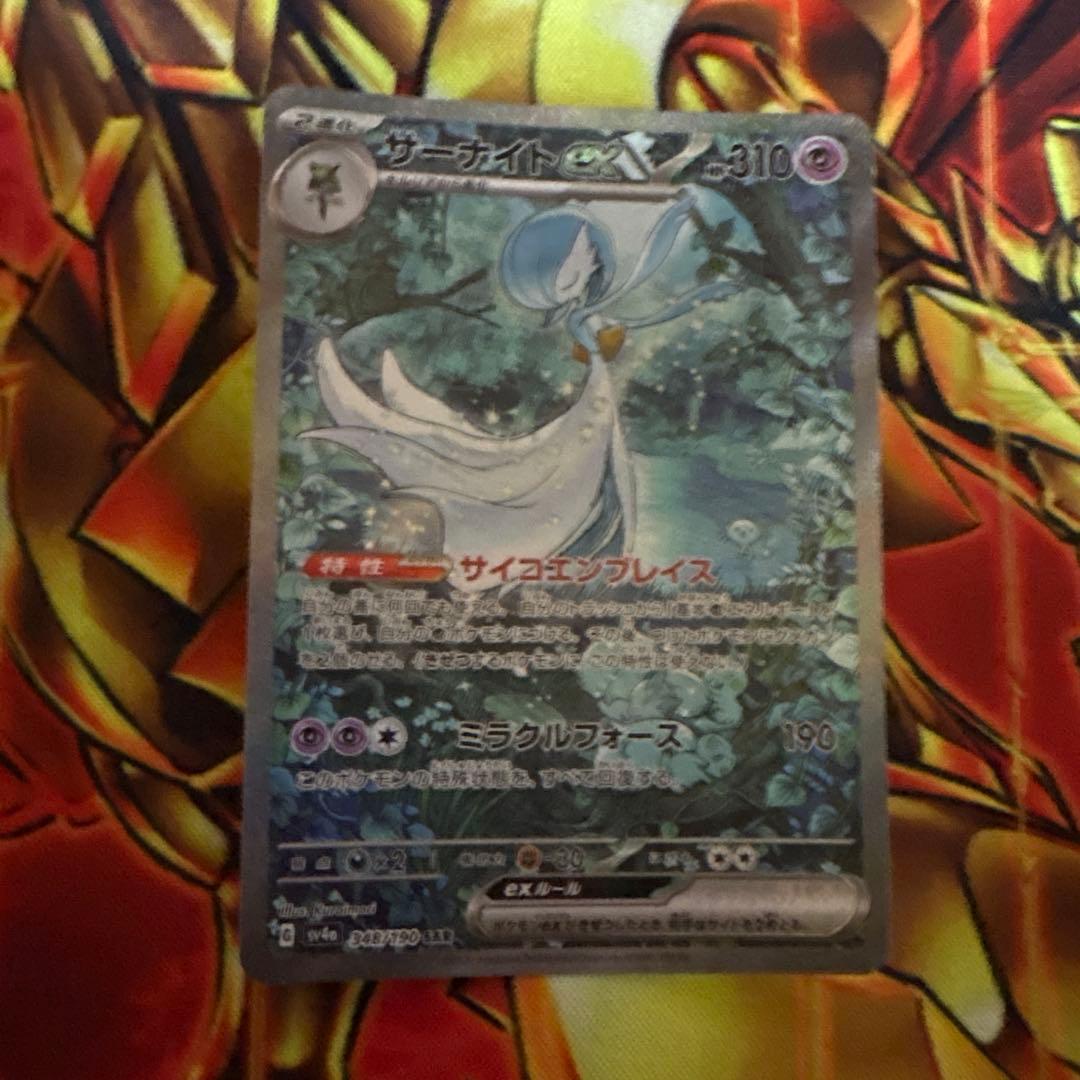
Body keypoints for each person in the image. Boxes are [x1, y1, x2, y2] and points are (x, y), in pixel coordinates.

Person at [302, 192, 736, 592]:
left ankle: (576, 558)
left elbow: (636, 310)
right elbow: (630, 317)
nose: (587, 267)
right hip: (587, 411)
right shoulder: (573, 321)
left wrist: (697, 281)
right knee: (558, 485)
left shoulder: (583, 316)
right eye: (573, 265)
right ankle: (515, 557)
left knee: (586, 479)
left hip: (593, 406)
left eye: (589, 258)